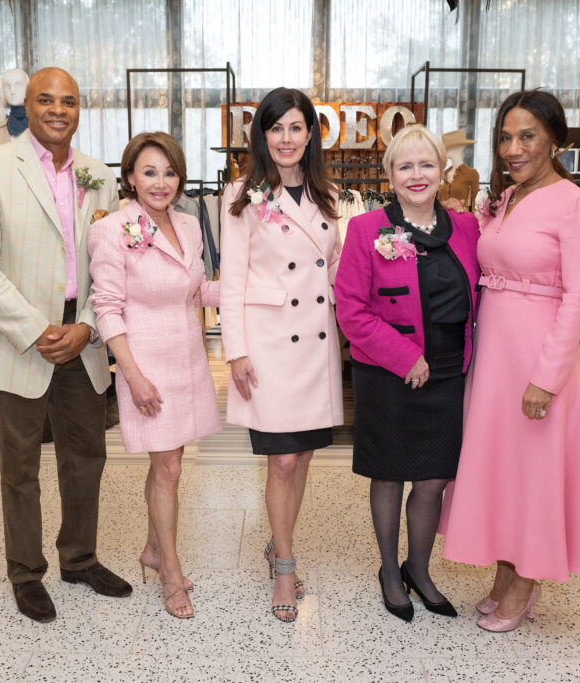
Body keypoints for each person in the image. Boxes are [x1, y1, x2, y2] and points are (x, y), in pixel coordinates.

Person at [0, 67, 131, 623]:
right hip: (18, 340)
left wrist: (87, 328)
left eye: (70, 101)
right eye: (46, 99)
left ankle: (79, 558)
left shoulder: (99, 175)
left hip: (82, 339)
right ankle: (26, 572)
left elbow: (112, 263)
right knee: (20, 464)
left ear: (81, 110)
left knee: (87, 457)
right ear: (26, 106)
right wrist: (36, 329)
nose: (58, 109)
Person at [440, 90, 580, 632]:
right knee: (505, 468)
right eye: (506, 137)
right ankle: (506, 574)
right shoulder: (507, 199)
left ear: (555, 138)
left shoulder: (577, 205)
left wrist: (546, 377)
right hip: (495, 359)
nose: (514, 148)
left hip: (539, 361)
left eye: (527, 135)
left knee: (535, 471)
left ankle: (526, 582)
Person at [334, 124, 479, 623]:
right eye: (405, 166)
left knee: (435, 478)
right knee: (390, 474)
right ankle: (389, 573)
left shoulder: (466, 227)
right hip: (389, 371)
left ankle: (418, 568)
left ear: (443, 171)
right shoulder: (365, 229)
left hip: (449, 369)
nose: (416, 175)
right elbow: (350, 311)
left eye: (426, 164)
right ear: (390, 175)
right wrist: (404, 357)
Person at [219, 87, 343, 623]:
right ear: (262, 136)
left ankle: (279, 541)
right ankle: (285, 565)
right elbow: (232, 281)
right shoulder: (241, 196)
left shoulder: (330, 195)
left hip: (316, 342)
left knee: (305, 458)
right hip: (269, 344)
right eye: (276, 128)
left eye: (296, 127)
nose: (286, 138)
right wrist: (236, 351)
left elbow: (337, 272)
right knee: (283, 459)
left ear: (311, 133)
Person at [88, 132, 221, 619]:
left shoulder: (187, 226)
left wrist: (250, 287)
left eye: (169, 172)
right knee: (168, 467)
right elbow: (107, 307)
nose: (160, 182)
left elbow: (194, 290)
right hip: (145, 365)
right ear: (129, 178)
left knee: (170, 463)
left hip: (187, 361)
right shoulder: (112, 229)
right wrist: (133, 374)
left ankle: (151, 549)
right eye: (149, 172)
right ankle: (169, 571)